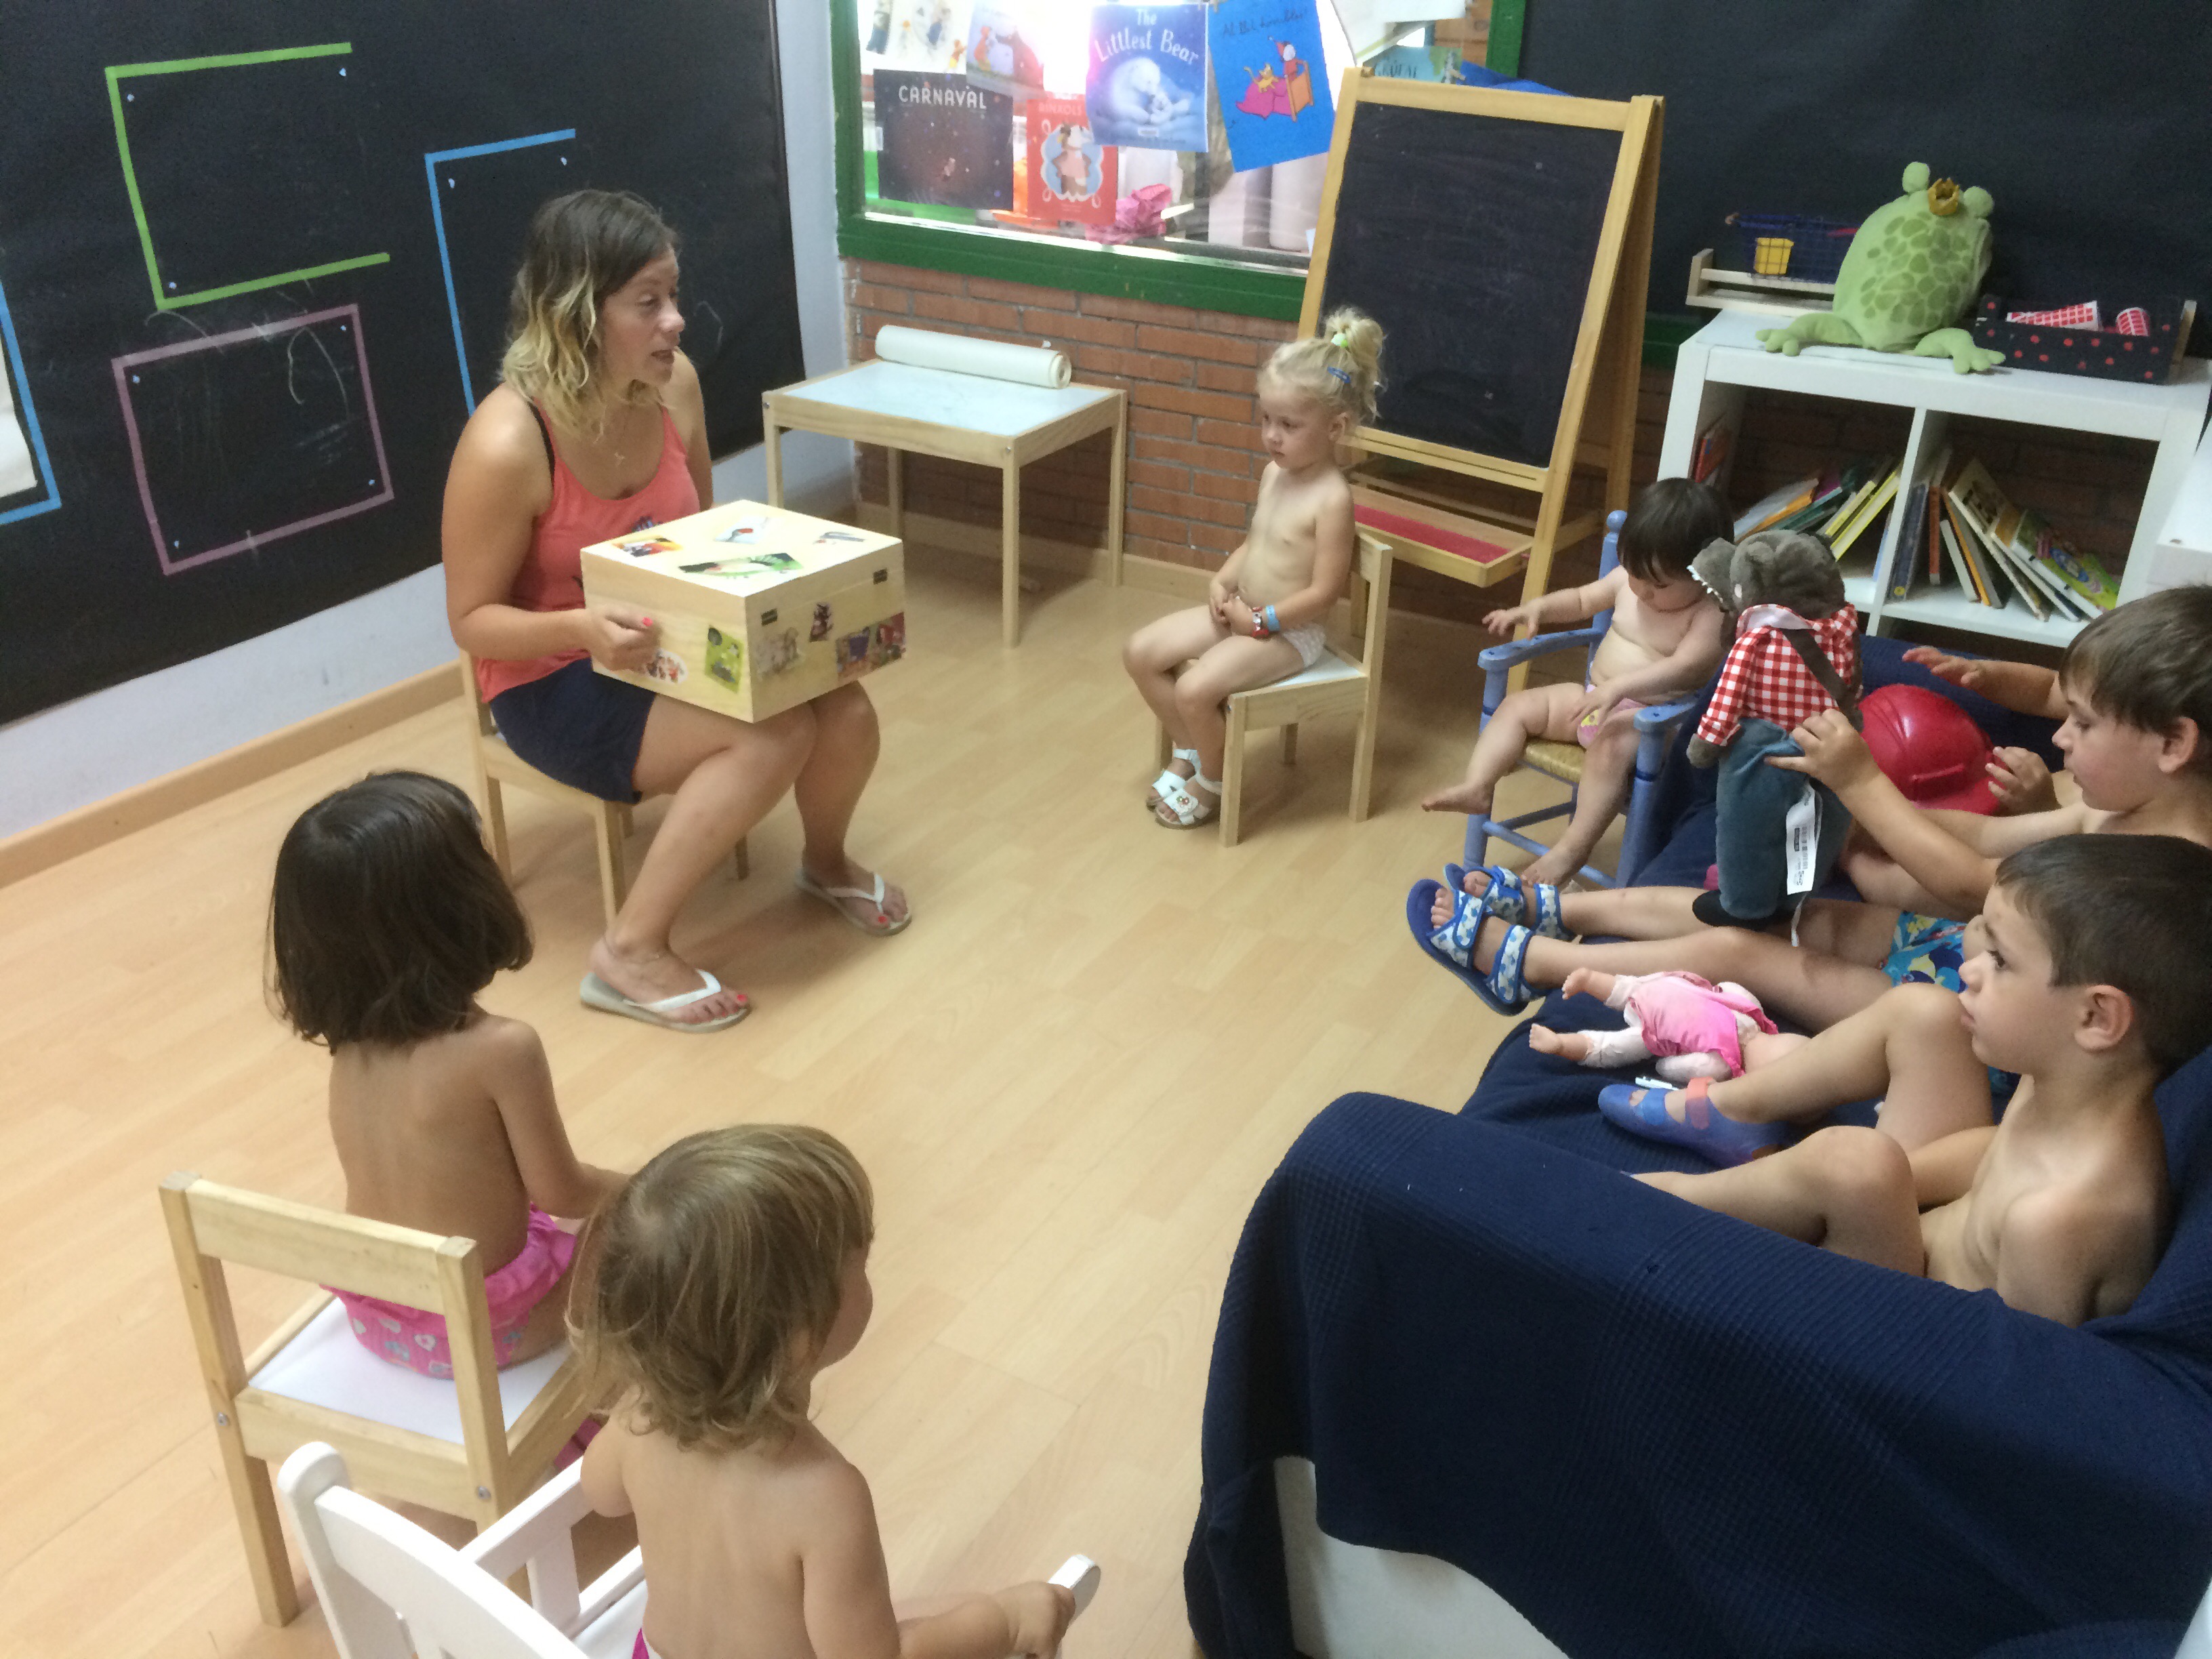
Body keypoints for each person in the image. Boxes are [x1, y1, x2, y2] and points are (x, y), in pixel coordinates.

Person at [443, 189, 906, 1036]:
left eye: (674, 296)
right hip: (552, 676)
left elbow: (704, 536)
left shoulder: (675, 385)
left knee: (843, 704)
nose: (676, 322)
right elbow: (471, 621)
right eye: (648, 303)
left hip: (668, 639)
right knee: (772, 734)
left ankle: (826, 862)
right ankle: (629, 950)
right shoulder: (507, 442)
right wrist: (578, 629)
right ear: (577, 315)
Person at [1415, 583, 2212, 1029]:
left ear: (2174, 744)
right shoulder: (2120, 811)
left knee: (1743, 951)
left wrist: (1863, 785)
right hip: (1962, 950)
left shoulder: (2161, 879)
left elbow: (1975, 884)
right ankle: (1557, 908)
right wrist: (1862, 810)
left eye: (2083, 725)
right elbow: (1985, 834)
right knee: (1775, 909)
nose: (2061, 738)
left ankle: (1533, 964)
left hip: (1970, 1014)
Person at [1620, 835, 2212, 1328]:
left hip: (1912, 1319)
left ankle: (1644, 1199)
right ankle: (1731, 1109)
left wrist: (1866, 1188)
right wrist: (1893, 1181)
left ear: (2096, 1018)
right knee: (1924, 1013)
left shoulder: (2059, 1221)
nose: (1971, 969)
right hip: (1915, 1238)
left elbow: (1997, 1380)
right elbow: (1995, 1157)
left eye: (2001, 962)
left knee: (1855, 1165)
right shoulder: (2067, 1080)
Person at [575, 1125, 1080, 1659]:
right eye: (858, 1264)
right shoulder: (824, 1497)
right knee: (962, 1616)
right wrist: (1005, 1621)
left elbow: (601, 1494)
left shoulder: (640, 1417)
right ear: (800, 1339)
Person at [268, 772, 627, 1377]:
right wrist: (648, 1184)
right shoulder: (503, 1050)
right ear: (463, 904)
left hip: (378, 1318)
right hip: (484, 1334)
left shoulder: (351, 1049)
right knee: (631, 1228)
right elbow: (563, 1192)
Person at [1122, 308, 1383, 829]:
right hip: (1243, 613)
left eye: (1289, 425)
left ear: (1335, 427)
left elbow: (1325, 592)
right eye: (1266, 420)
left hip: (1291, 634)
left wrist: (1263, 622)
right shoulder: (1274, 474)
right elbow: (1257, 541)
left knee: (1195, 690)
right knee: (1141, 652)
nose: (1272, 436)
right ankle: (1191, 748)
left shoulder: (1333, 499)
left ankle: (1213, 780)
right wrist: (1223, 580)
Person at [1421, 478, 1732, 887]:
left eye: (1659, 584)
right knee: (1517, 707)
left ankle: (1572, 850)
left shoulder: (1710, 612)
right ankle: (1478, 786)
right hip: (1592, 700)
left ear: (1704, 574)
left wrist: (1621, 689)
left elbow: (1688, 668)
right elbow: (1583, 599)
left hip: (1652, 725)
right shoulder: (1628, 582)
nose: (1643, 591)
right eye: (1636, 573)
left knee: (1609, 745)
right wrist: (1537, 609)